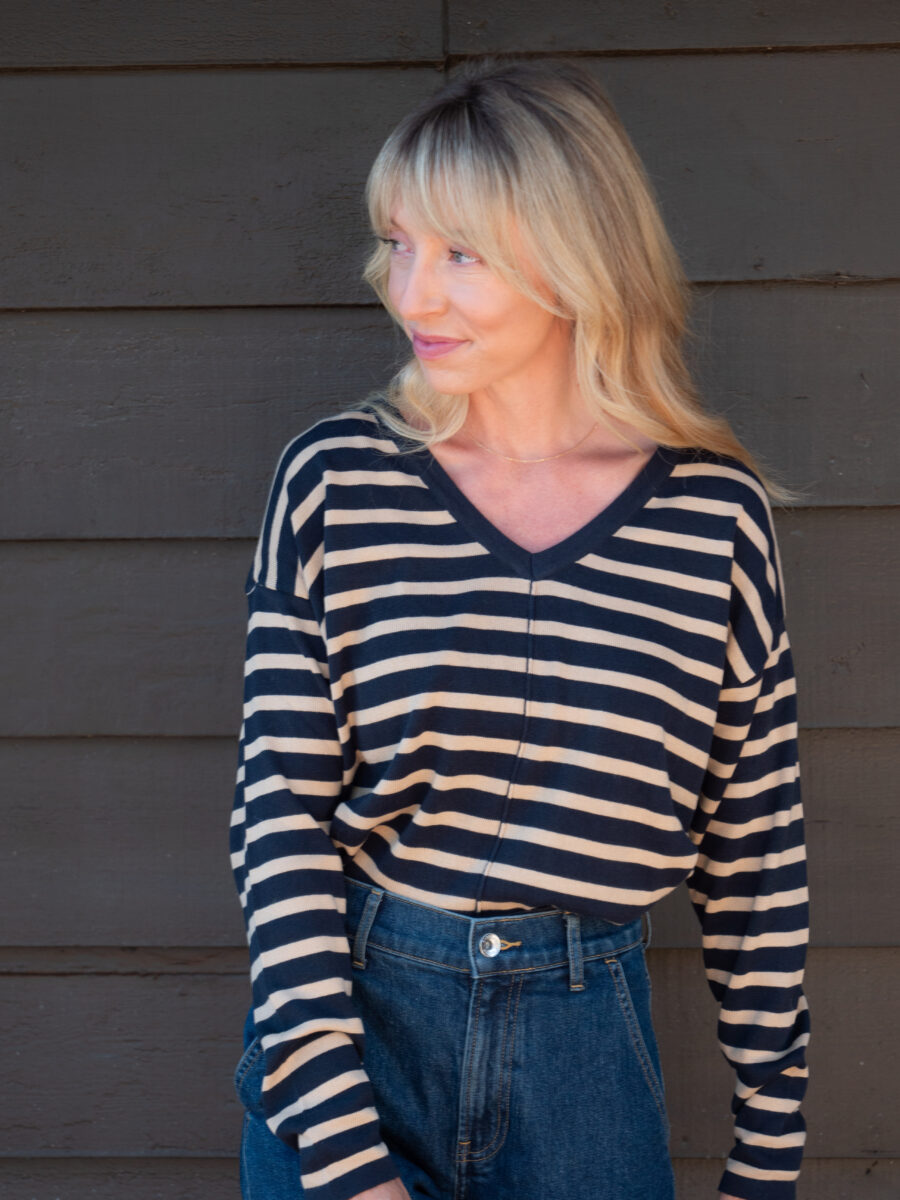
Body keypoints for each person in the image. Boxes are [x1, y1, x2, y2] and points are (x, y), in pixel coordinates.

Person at [229, 56, 809, 1200]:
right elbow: (280, 819)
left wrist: (769, 1152)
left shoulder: (712, 520)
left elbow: (757, 853)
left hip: (589, 1061)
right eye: (398, 243)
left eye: (461, 253)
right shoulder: (336, 485)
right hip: (355, 1037)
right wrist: (345, 1157)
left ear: (578, 259)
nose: (411, 295)